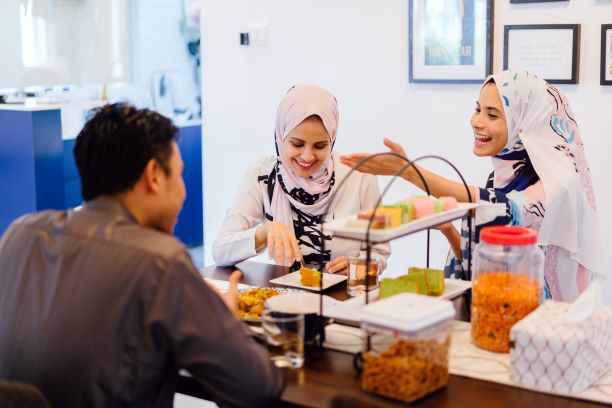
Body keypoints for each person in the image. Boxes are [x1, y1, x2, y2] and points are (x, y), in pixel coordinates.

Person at [0, 104, 282, 407]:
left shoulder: (20, 233)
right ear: (154, 176)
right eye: (180, 174)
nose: (184, 191)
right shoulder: (160, 261)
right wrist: (229, 323)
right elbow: (256, 388)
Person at [340, 69, 600, 302]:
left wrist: (409, 172)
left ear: (525, 123)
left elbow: (505, 209)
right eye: (478, 109)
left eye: (493, 114)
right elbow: (480, 265)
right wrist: (450, 231)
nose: (476, 121)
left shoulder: (561, 185)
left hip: (543, 330)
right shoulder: (500, 179)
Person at [212, 85, 390, 274]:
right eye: (297, 144)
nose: (307, 157)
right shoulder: (262, 176)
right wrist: (265, 231)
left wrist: (363, 264)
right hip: (284, 299)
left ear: (332, 140)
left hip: (344, 298)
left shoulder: (359, 176)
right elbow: (220, 251)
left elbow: (380, 252)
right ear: (281, 137)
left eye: (320, 146)